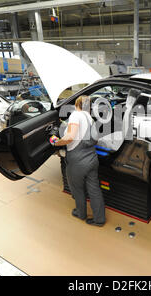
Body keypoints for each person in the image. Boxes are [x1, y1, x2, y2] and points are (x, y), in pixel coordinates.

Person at [51, 95, 106, 227]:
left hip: (78, 160)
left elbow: (70, 137)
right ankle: (99, 219)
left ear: (76, 104)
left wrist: (55, 142)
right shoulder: (90, 118)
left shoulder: (76, 115)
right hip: (92, 158)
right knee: (94, 190)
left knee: (77, 189)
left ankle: (81, 213)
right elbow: (95, 139)